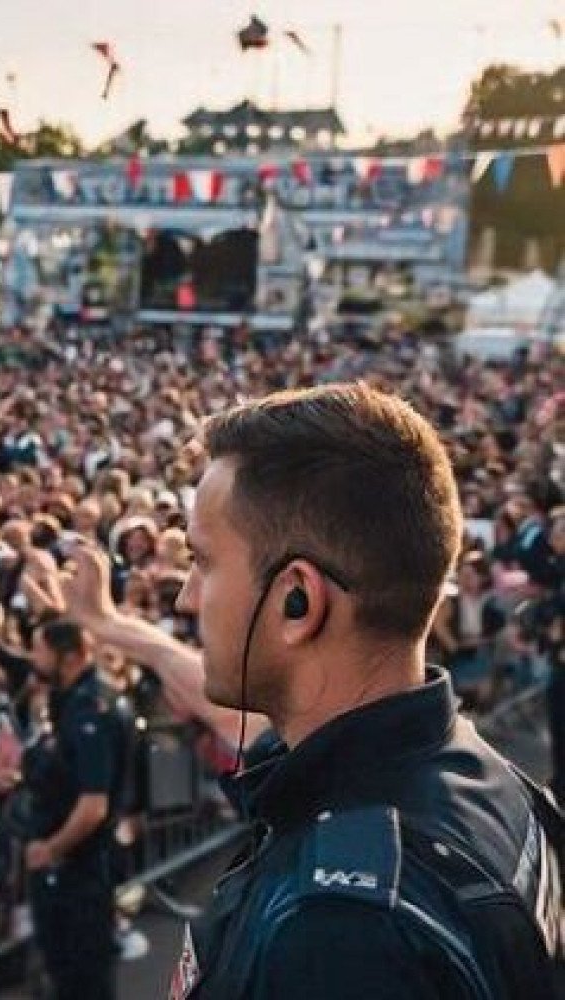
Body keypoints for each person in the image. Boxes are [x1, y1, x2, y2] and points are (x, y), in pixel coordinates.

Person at [146, 383, 561, 999]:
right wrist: (124, 634)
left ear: (298, 601)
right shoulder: (485, 776)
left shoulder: (339, 933)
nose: (185, 597)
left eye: (203, 561)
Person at [23, 614, 126, 1000]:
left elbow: (93, 805)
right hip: (75, 870)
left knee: (81, 979)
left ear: (66, 658)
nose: (35, 659)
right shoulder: (72, 701)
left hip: (78, 873)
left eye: (40, 650)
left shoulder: (90, 709)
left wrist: (51, 850)